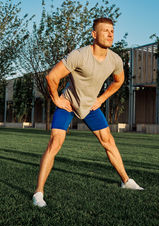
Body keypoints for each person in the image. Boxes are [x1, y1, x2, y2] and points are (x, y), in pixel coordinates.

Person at [33, 17, 144, 207]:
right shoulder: (79, 55)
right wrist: (57, 99)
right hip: (68, 104)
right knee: (55, 143)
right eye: (105, 30)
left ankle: (126, 181)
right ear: (94, 34)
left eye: (112, 31)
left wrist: (101, 99)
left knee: (108, 141)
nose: (110, 34)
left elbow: (118, 81)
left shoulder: (115, 60)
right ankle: (38, 194)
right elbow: (51, 77)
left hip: (90, 106)